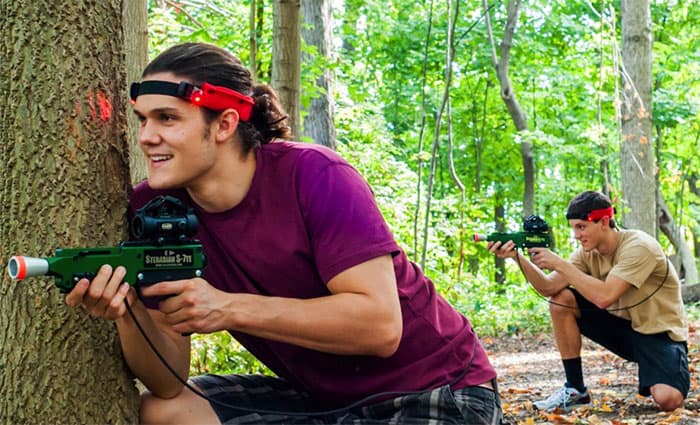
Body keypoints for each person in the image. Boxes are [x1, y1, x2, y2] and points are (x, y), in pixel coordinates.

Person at [64, 42, 502, 424]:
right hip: (322, 400)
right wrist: (128, 312)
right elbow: (168, 379)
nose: (146, 137)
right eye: (142, 120)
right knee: (163, 413)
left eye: (167, 118)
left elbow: (380, 327)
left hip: (438, 389)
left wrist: (229, 308)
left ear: (225, 124)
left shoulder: (316, 176)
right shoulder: (154, 209)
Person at [488, 190, 689, 413]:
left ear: (604, 221)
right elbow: (548, 288)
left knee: (668, 400)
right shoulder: (586, 253)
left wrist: (560, 264)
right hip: (622, 329)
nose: (576, 234)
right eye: (574, 227)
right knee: (561, 300)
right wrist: (517, 257)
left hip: (659, 333)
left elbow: (604, 297)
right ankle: (575, 389)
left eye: (581, 227)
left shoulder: (639, 247)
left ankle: (671, 368)